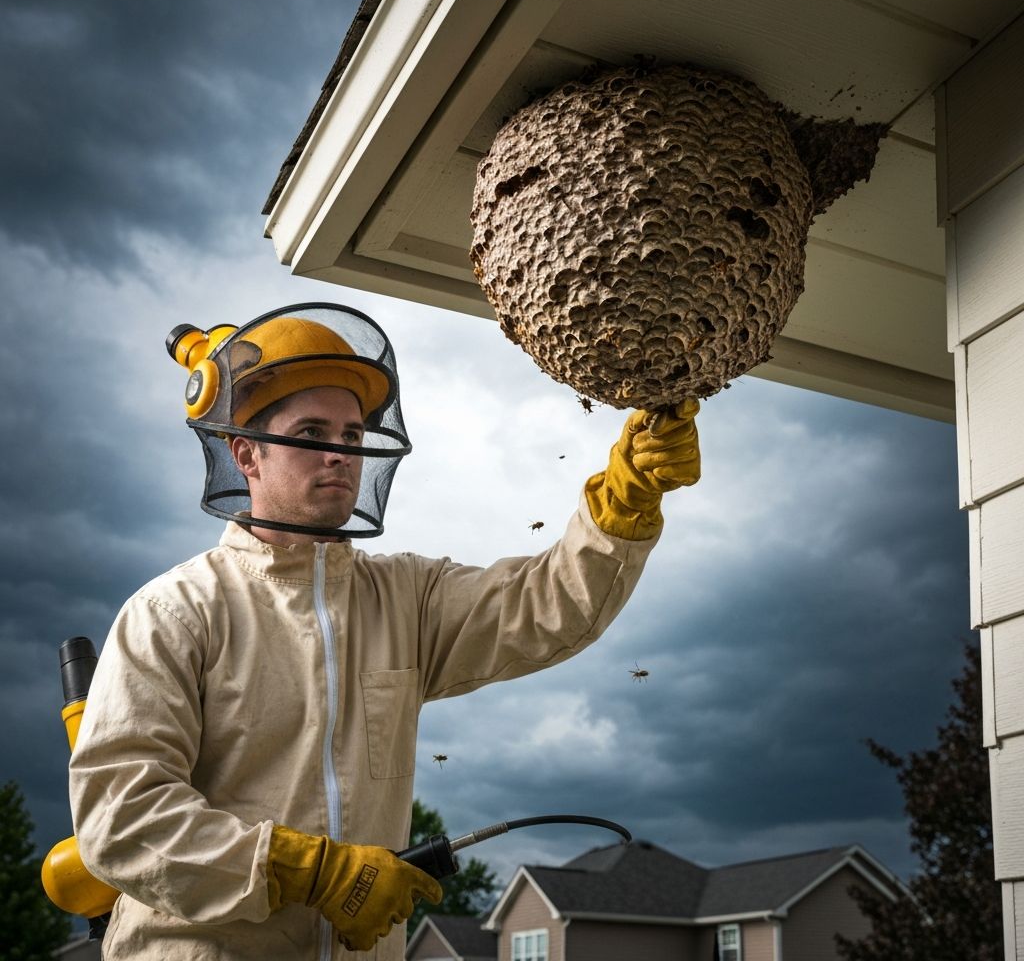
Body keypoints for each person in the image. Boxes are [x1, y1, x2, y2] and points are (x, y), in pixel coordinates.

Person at [68, 302, 701, 960]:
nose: (341, 455)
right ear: (245, 453)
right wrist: (305, 869)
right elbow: (122, 818)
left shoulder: (405, 599)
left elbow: (546, 604)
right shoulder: (173, 612)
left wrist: (626, 501)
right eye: (313, 431)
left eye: (350, 436)